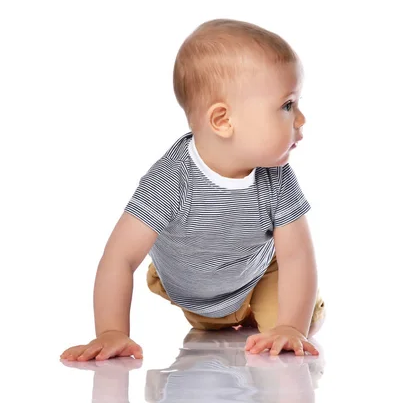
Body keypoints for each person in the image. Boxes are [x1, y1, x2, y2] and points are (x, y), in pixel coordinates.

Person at [60, 19, 326, 362]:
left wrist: (292, 326)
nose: (300, 118)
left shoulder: (276, 177)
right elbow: (120, 258)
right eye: (287, 105)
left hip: (259, 277)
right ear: (223, 121)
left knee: (290, 329)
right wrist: (112, 332)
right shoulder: (171, 180)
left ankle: (285, 315)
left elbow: (297, 256)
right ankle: (228, 319)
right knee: (209, 327)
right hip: (196, 293)